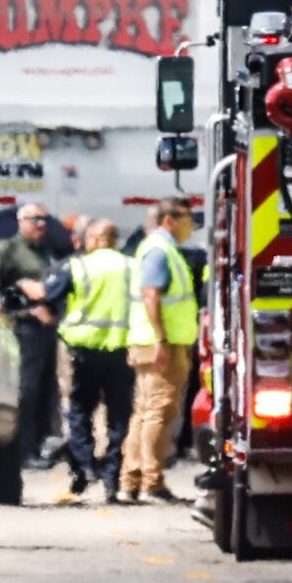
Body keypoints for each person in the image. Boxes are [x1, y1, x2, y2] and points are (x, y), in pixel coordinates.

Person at [22, 219, 133, 501]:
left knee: (80, 410)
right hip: (123, 348)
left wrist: (26, 287)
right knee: (119, 416)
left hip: (84, 350)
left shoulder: (78, 266)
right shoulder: (132, 266)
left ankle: (84, 466)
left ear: (93, 239)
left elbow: (46, 294)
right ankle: (112, 477)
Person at [120, 196, 199, 503]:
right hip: (159, 344)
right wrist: (162, 340)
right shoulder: (159, 250)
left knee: (145, 412)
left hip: (152, 341)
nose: (190, 227)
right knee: (159, 411)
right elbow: (151, 295)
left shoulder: (160, 249)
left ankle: (132, 480)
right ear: (170, 220)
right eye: (187, 220)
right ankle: (151, 482)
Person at [0, 202, 63, 467]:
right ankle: (24, 449)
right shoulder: (8, 249)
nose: (41, 225)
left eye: (44, 220)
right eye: (35, 220)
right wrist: (29, 311)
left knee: (46, 390)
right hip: (22, 329)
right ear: (21, 221)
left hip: (48, 331)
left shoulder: (46, 252)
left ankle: (44, 444)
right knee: (27, 390)